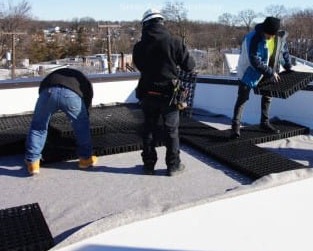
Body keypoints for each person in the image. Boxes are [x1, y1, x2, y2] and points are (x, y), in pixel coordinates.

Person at [132, 8, 195, 176]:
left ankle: (148, 165)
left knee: (149, 130)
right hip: (169, 95)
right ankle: (173, 166)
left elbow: (140, 65)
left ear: (145, 25)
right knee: (171, 131)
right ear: (162, 22)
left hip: (147, 93)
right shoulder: (174, 42)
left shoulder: (139, 46)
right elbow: (189, 66)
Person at [24, 68, 97, 175]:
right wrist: (86, 113)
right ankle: (85, 159)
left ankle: (33, 163)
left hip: (47, 92)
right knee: (81, 127)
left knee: (38, 126)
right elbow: (87, 98)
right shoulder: (83, 80)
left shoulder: (52, 75)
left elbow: (41, 89)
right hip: (71, 95)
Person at [231, 16, 292, 138]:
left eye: (271, 35)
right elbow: (254, 60)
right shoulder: (253, 38)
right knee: (243, 98)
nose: (269, 37)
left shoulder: (279, 37)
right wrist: (270, 72)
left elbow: (283, 52)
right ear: (263, 30)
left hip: (269, 70)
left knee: (268, 96)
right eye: (267, 34)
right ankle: (235, 126)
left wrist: (288, 66)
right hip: (249, 71)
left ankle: (264, 123)